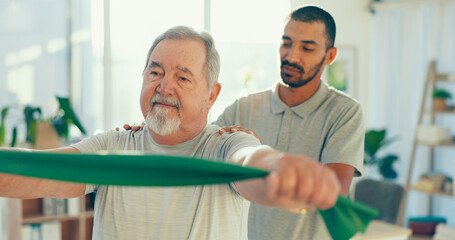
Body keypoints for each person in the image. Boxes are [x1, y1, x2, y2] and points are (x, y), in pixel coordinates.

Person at [0, 26, 341, 239]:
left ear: (212, 95)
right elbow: (33, 174)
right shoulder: (114, 145)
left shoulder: (226, 144)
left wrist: (282, 169)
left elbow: (255, 163)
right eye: (155, 72)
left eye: (183, 77)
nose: (164, 87)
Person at [214, 6, 364, 240]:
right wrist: (145, 132)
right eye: (286, 43)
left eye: (307, 48)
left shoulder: (345, 112)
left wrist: (266, 167)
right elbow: (199, 150)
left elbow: (333, 193)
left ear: (330, 56)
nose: (292, 56)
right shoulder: (243, 108)